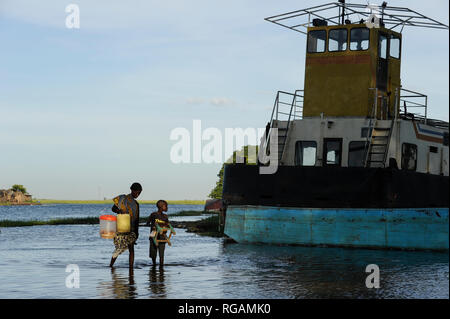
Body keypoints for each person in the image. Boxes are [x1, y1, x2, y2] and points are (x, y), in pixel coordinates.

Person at [109, 182, 142, 271]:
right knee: (119, 248)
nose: (137, 194)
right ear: (131, 190)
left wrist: (136, 232)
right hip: (122, 227)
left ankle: (131, 268)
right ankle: (110, 266)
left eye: (139, 193)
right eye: (136, 192)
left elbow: (137, 219)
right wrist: (119, 211)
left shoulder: (136, 204)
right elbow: (113, 208)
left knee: (131, 248)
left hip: (132, 229)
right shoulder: (122, 199)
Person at [146, 200, 171, 268]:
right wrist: (154, 226)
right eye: (166, 206)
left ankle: (158, 266)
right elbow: (147, 223)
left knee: (158, 254)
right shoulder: (155, 215)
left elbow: (168, 225)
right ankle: (158, 266)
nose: (167, 208)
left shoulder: (163, 216)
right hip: (157, 235)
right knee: (157, 254)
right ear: (161, 207)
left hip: (160, 236)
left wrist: (165, 227)